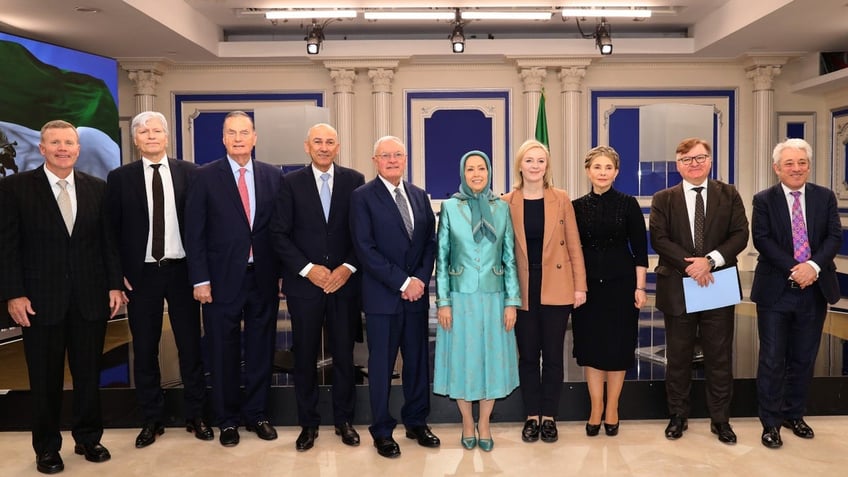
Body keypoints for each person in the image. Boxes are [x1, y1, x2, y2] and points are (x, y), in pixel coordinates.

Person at [0, 120, 122, 474]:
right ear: (42, 148)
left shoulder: (97, 188)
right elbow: (7, 247)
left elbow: (107, 244)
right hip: (40, 300)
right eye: (55, 142)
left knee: (87, 374)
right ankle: (47, 448)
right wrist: (14, 294)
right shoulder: (15, 188)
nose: (63, 148)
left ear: (78, 148)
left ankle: (88, 437)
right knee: (45, 378)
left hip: (90, 298)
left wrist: (114, 285)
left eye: (69, 142)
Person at [105, 111, 213, 448]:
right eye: (144, 132)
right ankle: (152, 418)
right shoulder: (120, 177)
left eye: (157, 131)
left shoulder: (191, 173)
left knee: (190, 346)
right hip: (141, 276)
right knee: (146, 347)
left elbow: (204, 227)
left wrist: (203, 274)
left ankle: (196, 414)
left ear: (167, 137)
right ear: (135, 140)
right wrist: (117, 273)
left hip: (183, 272)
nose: (151, 136)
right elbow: (110, 231)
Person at [184, 111, 282, 447]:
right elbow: (194, 232)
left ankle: (257, 414)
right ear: (223, 139)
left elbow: (279, 231)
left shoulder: (273, 175)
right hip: (220, 280)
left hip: (264, 277)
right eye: (231, 133)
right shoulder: (204, 176)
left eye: (244, 132)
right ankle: (226, 420)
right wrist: (199, 279)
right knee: (221, 350)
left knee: (260, 349)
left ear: (255, 137)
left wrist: (282, 274)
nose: (238, 138)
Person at [270, 123, 365, 451]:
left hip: (344, 284)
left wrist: (347, 267)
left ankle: (344, 421)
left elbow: (362, 235)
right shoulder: (289, 183)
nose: (324, 147)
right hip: (305, 286)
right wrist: (309, 270)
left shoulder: (355, 181)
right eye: (318, 142)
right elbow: (279, 234)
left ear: (338, 147)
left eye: (330, 142)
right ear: (307, 147)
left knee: (343, 355)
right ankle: (308, 424)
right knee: (305, 356)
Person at [649, 137, 748, 445]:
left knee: (719, 357)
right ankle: (678, 416)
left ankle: (721, 421)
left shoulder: (728, 194)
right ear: (678, 165)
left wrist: (709, 262)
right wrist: (691, 265)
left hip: (717, 282)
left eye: (700, 158)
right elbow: (659, 238)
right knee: (678, 358)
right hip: (679, 284)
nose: (694, 164)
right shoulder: (663, 198)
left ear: (709, 160)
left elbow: (740, 234)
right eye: (687, 159)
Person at [349, 136, 440, 459]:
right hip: (382, 299)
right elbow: (364, 248)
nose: (392, 160)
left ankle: (416, 421)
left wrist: (418, 279)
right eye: (385, 155)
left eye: (397, 155)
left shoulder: (418, 195)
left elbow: (429, 242)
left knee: (417, 363)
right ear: (375, 161)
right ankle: (382, 430)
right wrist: (402, 281)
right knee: (382, 366)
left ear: (405, 159)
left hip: (416, 298)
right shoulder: (362, 197)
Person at [750, 138, 842, 449]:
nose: (796, 168)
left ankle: (794, 414)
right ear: (777, 168)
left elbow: (834, 236)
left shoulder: (825, 197)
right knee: (773, 359)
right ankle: (771, 422)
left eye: (801, 162)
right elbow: (762, 240)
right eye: (789, 163)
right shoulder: (764, 200)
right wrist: (796, 268)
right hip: (776, 290)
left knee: (804, 358)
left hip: (814, 291)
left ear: (808, 165)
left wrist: (813, 266)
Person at [433, 150, 520, 452]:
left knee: (491, 361)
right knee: (462, 360)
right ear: (462, 173)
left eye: (481, 168)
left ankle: (484, 423)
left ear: (490, 171)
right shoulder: (450, 207)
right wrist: (443, 301)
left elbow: (509, 257)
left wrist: (512, 301)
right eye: (470, 169)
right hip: (460, 297)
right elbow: (441, 258)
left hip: (495, 297)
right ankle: (467, 422)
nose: (476, 174)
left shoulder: (502, 208)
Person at [502, 139, 587, 444]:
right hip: (521, 289)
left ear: (547, 166)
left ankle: (549, 416)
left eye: (540, 161)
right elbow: (503, 252)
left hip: (557, 286)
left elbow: (574, 244)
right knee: (527, 357)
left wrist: (580, 286)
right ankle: (531, 416)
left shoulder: (561, 198)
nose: (535, 166)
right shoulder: (506, 201)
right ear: (520, 165)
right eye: (529, 161)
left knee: (552, 356)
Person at [572, 146, 648, 437]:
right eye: (597, 167)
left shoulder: (628, 204)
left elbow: (640, 251)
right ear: (588, 171)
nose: (602, 173)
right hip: (586, 288)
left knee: (618, 349)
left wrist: (640, 287)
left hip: (622, 286)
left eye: (608, 168)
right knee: (591, 349)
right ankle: (595, 408)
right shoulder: (576, 206)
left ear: (616, 172)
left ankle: (613, 408)